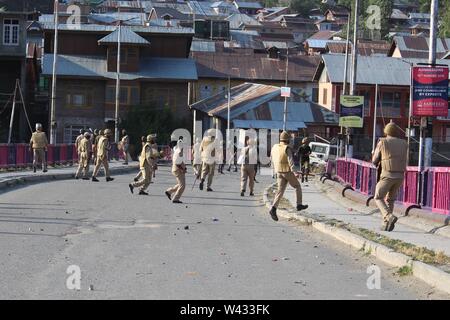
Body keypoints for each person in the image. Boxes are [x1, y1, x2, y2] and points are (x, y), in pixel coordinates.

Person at [372, 121, 407, 232]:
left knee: (378, 196)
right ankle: (387, 224)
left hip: (387, 175)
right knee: (390, 199)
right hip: (400, 176)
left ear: (386, 131)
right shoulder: (404, 143)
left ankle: (388, 216)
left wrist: (374, 153)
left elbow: (374, 160)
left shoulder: (382, 142)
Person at [269, 131, 308, 221]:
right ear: (288, 140)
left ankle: (273, 209)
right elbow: (291, 162)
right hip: (287, 171)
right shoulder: (287, 148)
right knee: (297, 186)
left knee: (280, 191)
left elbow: (271, 158)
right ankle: (299, 204)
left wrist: (274, 170)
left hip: (278, 171)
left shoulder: (274, 147)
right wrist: (295, 172)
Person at [165, 138, 186, 203]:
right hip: (178, 170)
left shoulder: (178, 150)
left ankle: (169, 191)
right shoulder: (178, 151)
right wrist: (183, 169)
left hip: (177, 169)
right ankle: (175, 198)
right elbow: (177, 163)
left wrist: (184, 167)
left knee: (180, 184)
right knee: (182, 185)